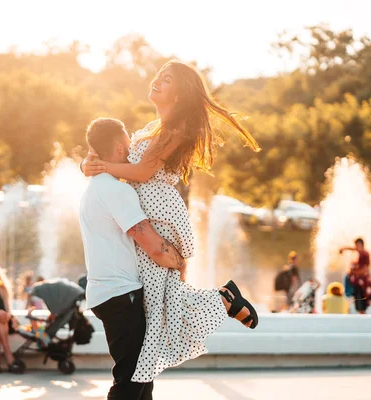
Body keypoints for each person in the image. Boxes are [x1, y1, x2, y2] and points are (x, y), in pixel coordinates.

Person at [82, 108, 259, 385]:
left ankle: (222, 298)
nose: (131, 152)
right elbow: (152, 246)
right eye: (128, 146)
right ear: (118, 147)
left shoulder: (97, 185)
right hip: (120, 294)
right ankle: (221, 298)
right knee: (130, 378)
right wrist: (180, 263)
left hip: (108, 292)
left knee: (142, 372)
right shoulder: (118, 190)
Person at [340, 238, 371, 314]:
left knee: (361, 303)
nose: (355, 247)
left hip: (362, 283)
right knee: (358, 302)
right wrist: (344, 249)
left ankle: (362, 317)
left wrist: (354, 272)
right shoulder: (360, 252)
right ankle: (361, 315)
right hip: (358, 282)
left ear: (361, 245)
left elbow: (365, 269)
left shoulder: (364, 254)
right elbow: (352, 249)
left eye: (357, 245)